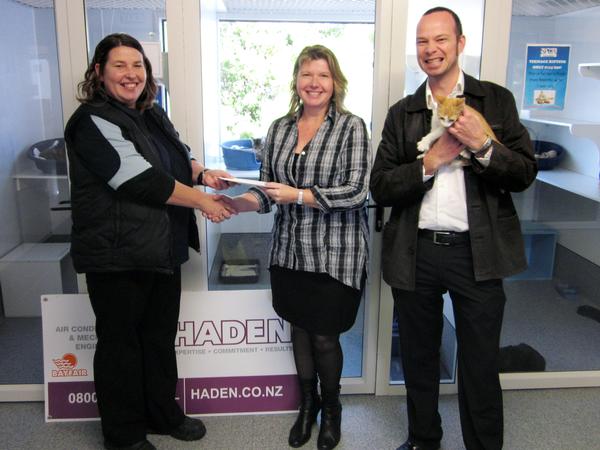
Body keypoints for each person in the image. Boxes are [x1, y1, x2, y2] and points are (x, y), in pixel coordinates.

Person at [370, 7, 537, 450]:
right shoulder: (403, 112)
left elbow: (523, 174)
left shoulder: (495, 101)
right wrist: (430, 161)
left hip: (477, 254)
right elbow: (382, 186)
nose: (431, 50)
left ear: (460, 44)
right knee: (419, 360)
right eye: (423, 42)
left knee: (480, 364)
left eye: (441, 39)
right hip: (416, 252)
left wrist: (483, 144)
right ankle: (425, 440)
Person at [64, 33, 235, 450]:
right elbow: (137, 177)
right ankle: (123, 435)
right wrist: (202, 202)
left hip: (160, 248)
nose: (131, 74)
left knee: (159, 338)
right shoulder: (90, 121)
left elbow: (177, 154)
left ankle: (162, 413)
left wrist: (201, 173)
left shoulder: (151, 113)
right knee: (120, 346)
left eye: (137, 65)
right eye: (120, 66)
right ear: (100, 72)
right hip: (117, 254)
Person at [223, 45, 371, 450]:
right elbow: (270, 191)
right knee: (299, 331)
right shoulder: (279, 129)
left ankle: (332, 409)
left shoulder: (351, 128)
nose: (314, 83)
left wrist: (299, 194)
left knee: (325, 337)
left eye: (323, 75)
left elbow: (357, 192)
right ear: (296, 81)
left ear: (335, 82)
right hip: (289, 252)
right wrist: (239, 203)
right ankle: (307, 407)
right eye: (307, 74)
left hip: (335, 254)